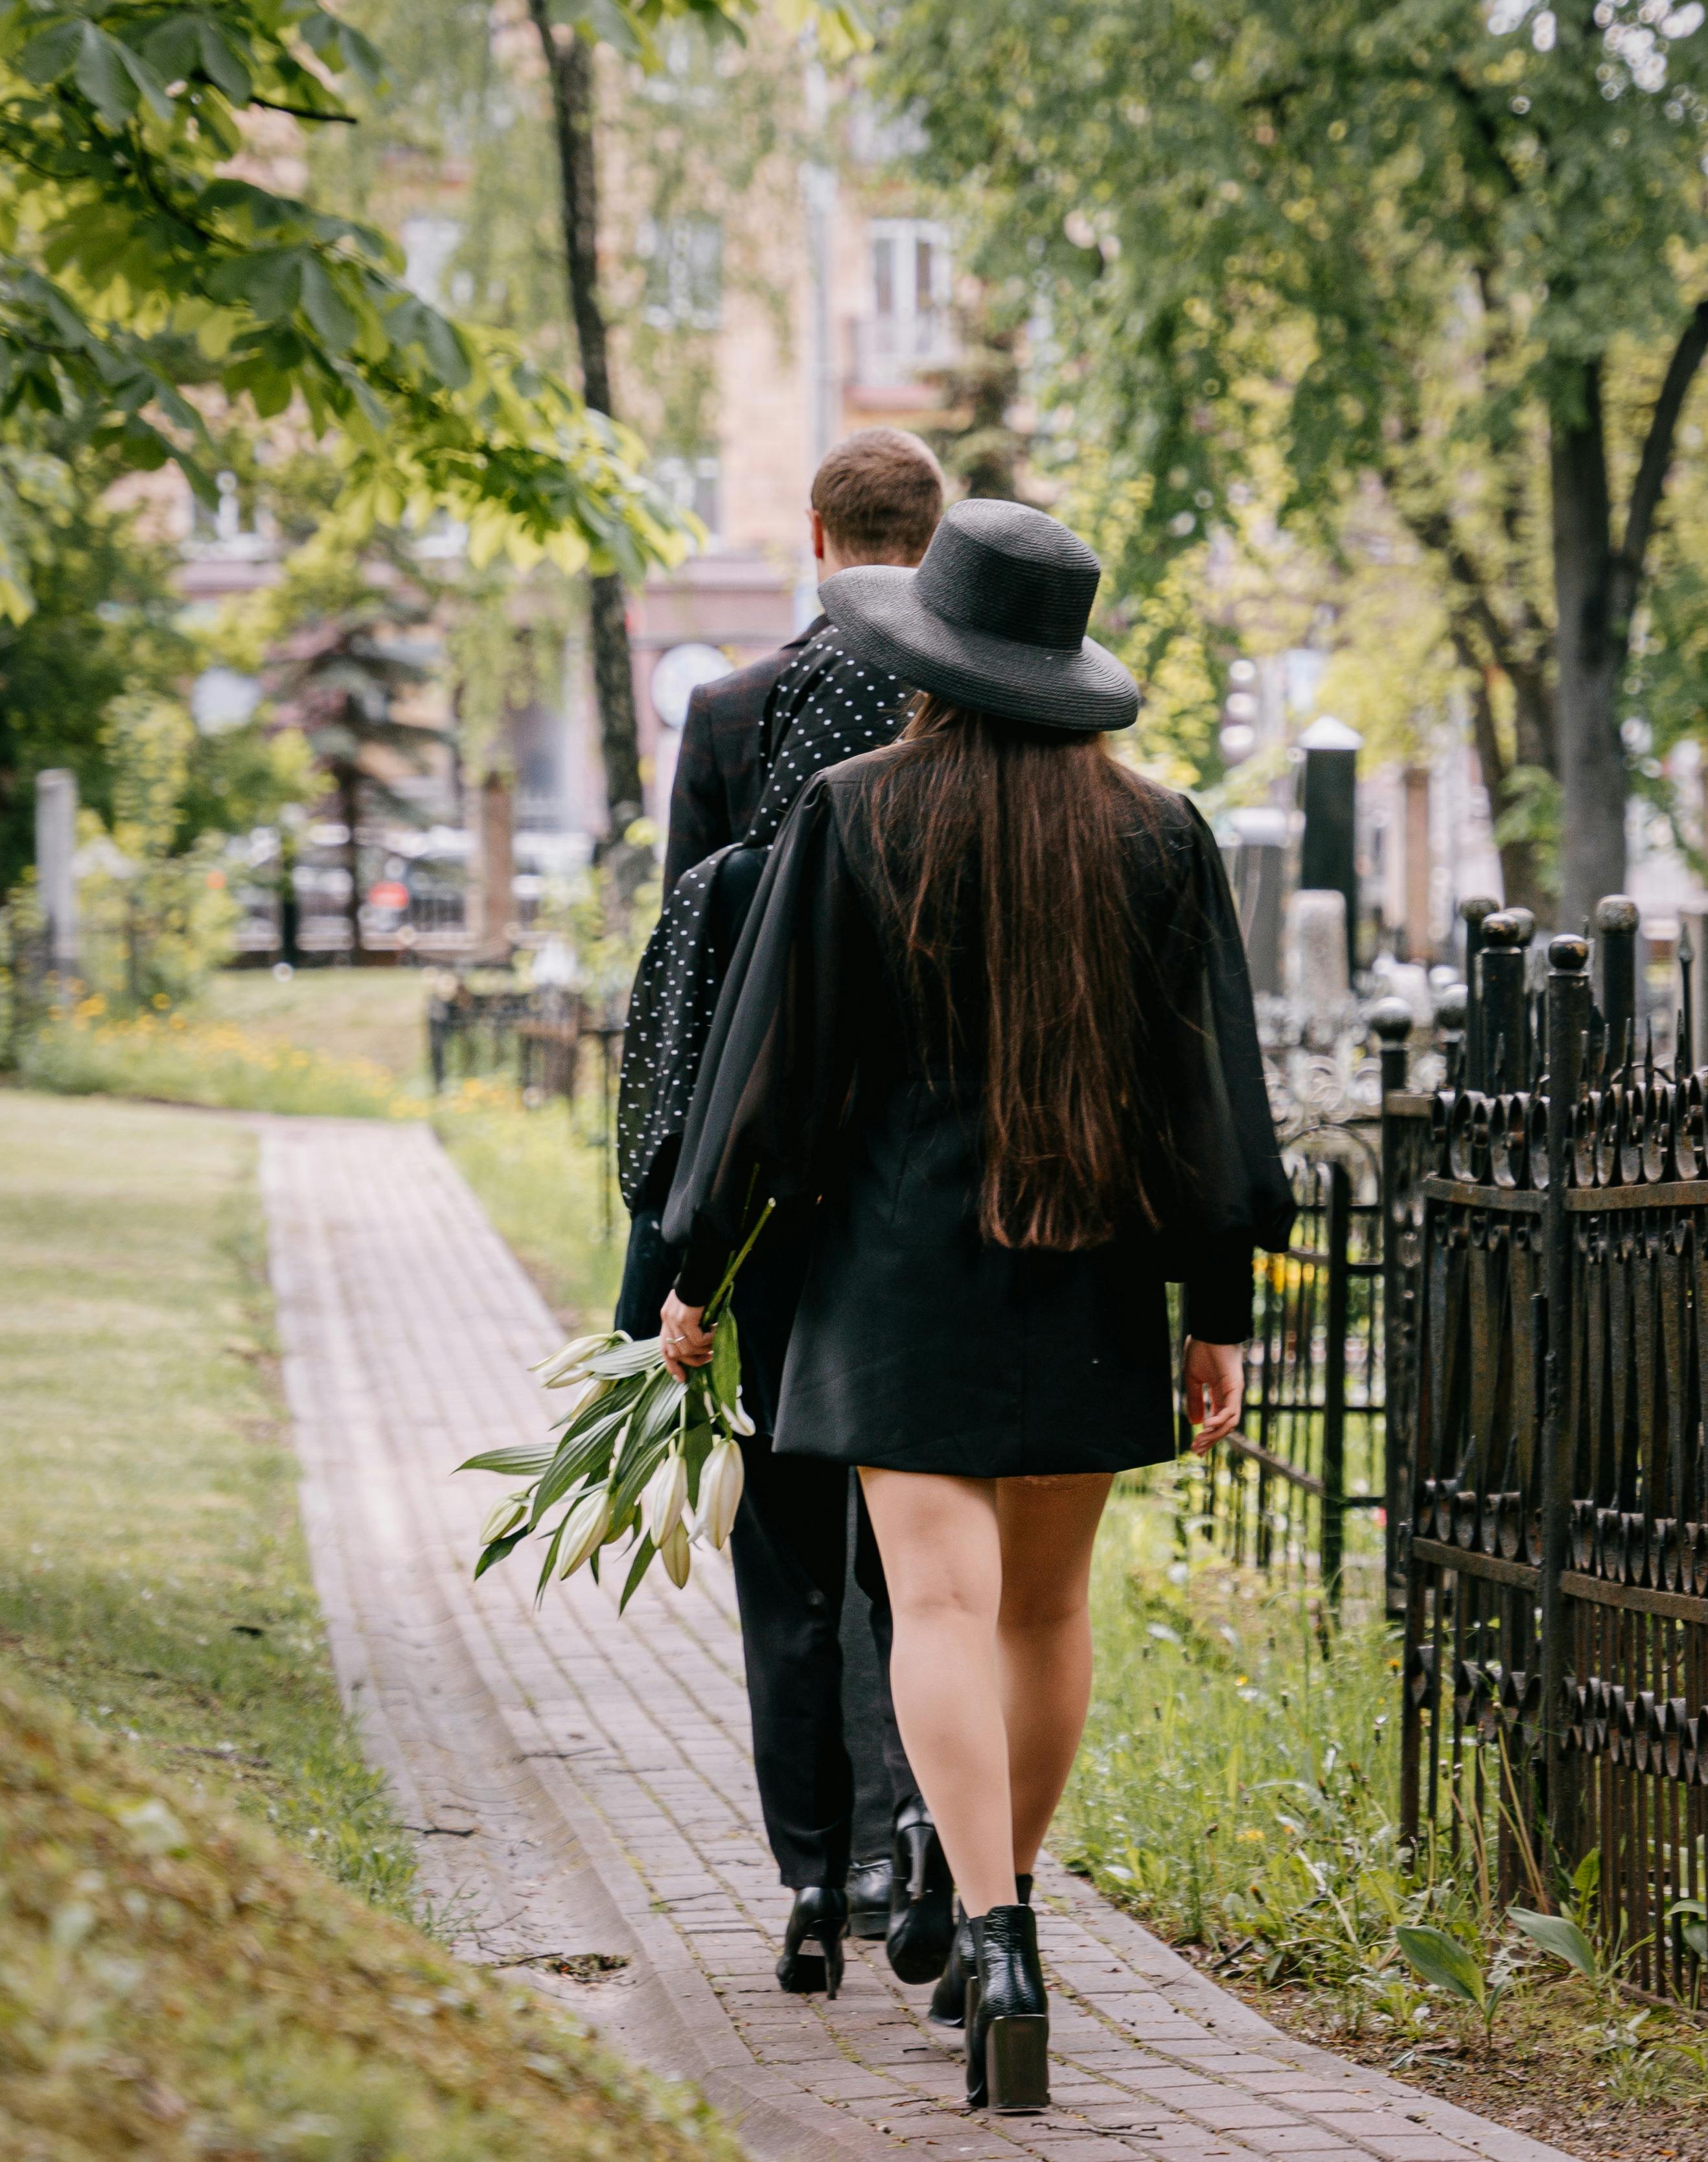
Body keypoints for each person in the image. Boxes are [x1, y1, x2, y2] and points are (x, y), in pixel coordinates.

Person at [656, 498, 1288, 2113]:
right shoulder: (1158, 833)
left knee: (934, 1605)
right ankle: (987, 1875)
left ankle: (994, 1938)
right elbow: (1212, 1093)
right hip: (1087, 1263)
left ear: (924, 653)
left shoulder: (852, 814)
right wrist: (1216, 1307)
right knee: (1046, 1610)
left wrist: (696, 1257)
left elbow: (769, 1068)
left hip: (893, 1271)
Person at [612, 428, 959, 2002]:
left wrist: (675, 1251)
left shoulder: (732, 713)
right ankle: (908, 1845)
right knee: (921, 1555)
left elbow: (695, 1002)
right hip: (924, 1198)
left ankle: (815, 1879)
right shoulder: (969, 718)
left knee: (790, 1565)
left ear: (816, 537)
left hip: (763, 1208)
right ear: (932, 538)